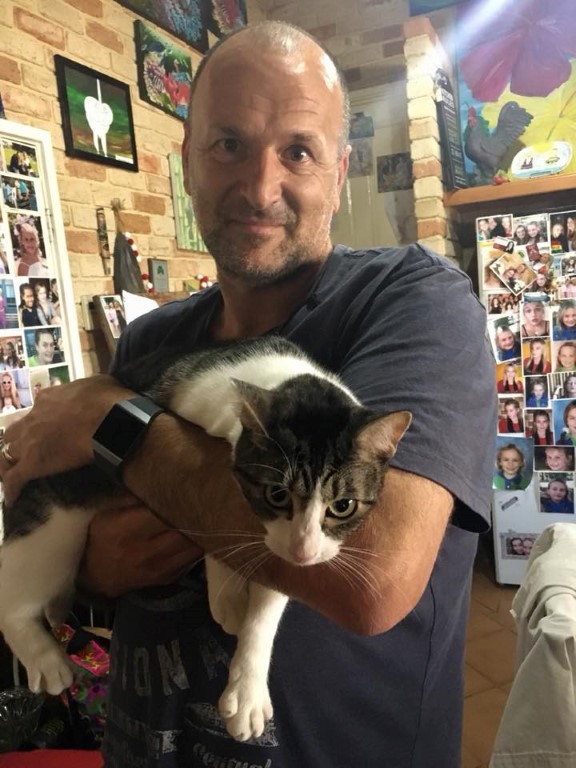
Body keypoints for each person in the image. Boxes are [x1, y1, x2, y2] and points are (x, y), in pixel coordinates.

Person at [0, 23, 496, 768]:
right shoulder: (151, 338)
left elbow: (374, 584)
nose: (261, 188)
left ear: (340, 172)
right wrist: (97, 563)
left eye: (298, 151)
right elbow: (101, 566)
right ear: (188, 161)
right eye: (229, 144)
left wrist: (112, 422)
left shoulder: (418, 302)